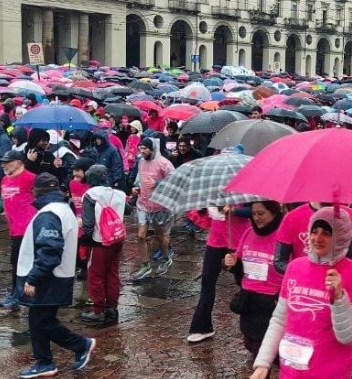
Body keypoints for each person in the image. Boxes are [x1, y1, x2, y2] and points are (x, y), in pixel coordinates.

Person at [250, 207, 352, 379]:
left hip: (329, 373)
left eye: (326, 233)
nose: (317, 238)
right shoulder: (294, 267)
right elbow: (279, 319)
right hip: (290, 371)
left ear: (341, 237)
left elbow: (348, 336)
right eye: (314, 231)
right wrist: (263, 363)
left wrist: (339, 299)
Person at [15, 173, 97, 378]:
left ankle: (81, 345)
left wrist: (34, 278)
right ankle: (44, 362)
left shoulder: (49, 214)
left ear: (37, 190)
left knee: (43, 320)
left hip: (49, 277)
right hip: (57, 275)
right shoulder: (62, 209)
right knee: (37, 319)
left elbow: (49, 250)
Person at [224, 201, 284, 357]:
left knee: (263, 350)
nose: (257, 218)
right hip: (248, 301)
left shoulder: (283, 237)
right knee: (250, 344)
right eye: (254, 213)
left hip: (271, 303)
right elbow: (239, 266)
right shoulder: (249, 233)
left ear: (274, 212)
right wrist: (231, 263)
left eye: (261, 213)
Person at [187, 204, 251, 343]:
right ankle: (202, 327)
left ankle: (255, 324)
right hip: (215, 241)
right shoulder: (212, 190)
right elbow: (206, 215)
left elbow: (253, 210)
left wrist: (234, 210)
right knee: (207, 281)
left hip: (238, 240)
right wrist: (203, 209)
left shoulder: (242, 189)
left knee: (245, 283)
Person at [0, 149, 37, 311]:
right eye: (2, 162)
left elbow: (44, 196)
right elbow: (3, 198)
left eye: (7, 162)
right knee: (17, 262)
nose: (4, 165)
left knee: (19, 262)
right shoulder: (5, 180)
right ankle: (18, 295)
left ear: (18, 162)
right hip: (14, 228)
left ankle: (18, 297)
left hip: (28, 228)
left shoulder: (31, 179)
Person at [78, 165, 127, 323]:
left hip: (99, 241)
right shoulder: (119, 194)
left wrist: (85, 239)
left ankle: (98, 310)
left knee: (96, 275)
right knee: (112, 273)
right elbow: (128, 210)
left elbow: (88, 222)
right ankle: (112, 308)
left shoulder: (90, 194)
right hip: (117, 239)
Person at [130, 138, 176, 280]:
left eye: (145, 148)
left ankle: (165, 258)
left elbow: (175, 181)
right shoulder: (141, 161)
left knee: (160, 236)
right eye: (140, 148)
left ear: (152, 148)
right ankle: (145, 265)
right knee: (141, 235)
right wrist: (136, 188)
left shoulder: (164, 163)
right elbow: (140, 179)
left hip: (160, 206)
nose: (142, 151)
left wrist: (157, 183)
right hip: (143, 204)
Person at [273, 202, 352, 273]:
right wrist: (302, 273)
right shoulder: (292, 217)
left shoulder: (348, 215)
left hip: (336, 284)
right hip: (305, 285)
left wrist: (339, 275)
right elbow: (280, 261)